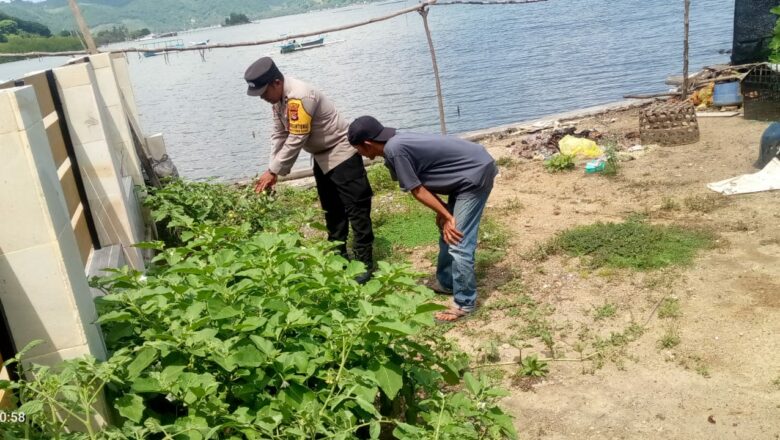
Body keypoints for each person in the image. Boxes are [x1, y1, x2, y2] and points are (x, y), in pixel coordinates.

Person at [347, 116, 497, 322]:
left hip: (475, 174)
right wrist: (443, 212)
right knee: (448, 230)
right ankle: (446, 283)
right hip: (462, 176)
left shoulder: (394, 150)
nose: (358, 153)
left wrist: (447, 215)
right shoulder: (394, 146)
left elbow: (416, 190)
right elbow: (422, 183)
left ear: (367, 144)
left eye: (357, 148)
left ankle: (464, 304)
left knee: (458, 240)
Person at [244, 57, 374, 281]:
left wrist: (274, 171)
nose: (263, 98)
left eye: (264, 92)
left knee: (356, 209)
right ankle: (339, 257)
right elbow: (279, 134)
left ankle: (364, 263)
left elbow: (297, 136)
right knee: (332, 211)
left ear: (276, 82)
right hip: (320, 157)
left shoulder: (299, 96)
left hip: (341, 152)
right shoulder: (279, 101)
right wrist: (271, 167)